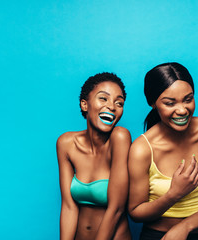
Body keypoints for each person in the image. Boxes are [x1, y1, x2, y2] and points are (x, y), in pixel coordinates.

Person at [128, 62, 198, 240]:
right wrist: (174, 194)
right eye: (170, 103)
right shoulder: (141, 149)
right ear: (152, 103)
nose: (182, 110)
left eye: (188, 99)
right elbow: (135, 211)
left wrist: (185, 227)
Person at [56, 72, 132, 240]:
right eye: (103, 98)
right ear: (84, 104)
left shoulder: (119, 138)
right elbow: (69, 207)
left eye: (119, 103)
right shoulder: (66, 143)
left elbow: (117, 209)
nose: (112, 106)